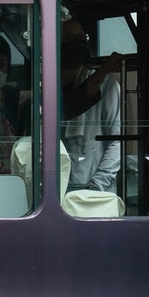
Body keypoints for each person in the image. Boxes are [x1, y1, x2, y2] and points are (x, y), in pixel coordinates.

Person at [59, 15, 122, 196]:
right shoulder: (44, 85)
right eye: (69, 38)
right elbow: (67, 108)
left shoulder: (106, 83)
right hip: (52, 189)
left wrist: (98, 185)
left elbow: (117, 140)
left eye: (81, 37)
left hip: (93, 190)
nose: (77, 43)